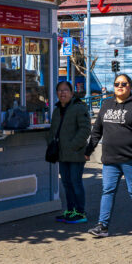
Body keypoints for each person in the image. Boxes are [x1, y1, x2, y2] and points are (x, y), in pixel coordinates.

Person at [85, 73, 132, 238]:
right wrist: (88, 151)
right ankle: (102, 226)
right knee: (107, 191)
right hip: (110, 160)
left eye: (124, 84)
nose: (120, 86)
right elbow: (97, 131)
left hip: (131, 159)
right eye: (117, 84)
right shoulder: (106, 104)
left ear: (129, 87)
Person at [48, 81, 91, 223]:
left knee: (75, 182)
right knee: (66, 183)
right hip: (61, 154)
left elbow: (85, 129)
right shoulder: (56, 110)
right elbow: (53, 130)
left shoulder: (79, 107)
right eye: (59, 90)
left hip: (76, 153)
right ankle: (71, 210)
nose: (62, 93)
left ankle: (80, 212)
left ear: (72, 93)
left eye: (66, 90)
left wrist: (73, 145)